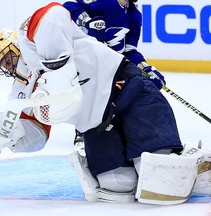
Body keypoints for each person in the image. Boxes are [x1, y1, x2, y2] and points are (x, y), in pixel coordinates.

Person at [0, 2, 211, 205]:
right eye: (3, 66)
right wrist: (5, 133)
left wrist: (58, 71)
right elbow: (37, 137)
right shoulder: (20, 92)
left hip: (127, 91)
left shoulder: (29, 37)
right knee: (116, 186)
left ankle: (195, 163)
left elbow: (53, 13)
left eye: (7, 58)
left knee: (160, 178)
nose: (9, 67)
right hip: (97, 125)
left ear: (15, 46)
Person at [63, 0, 166, 149]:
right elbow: (68, 6)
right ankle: (82, 131)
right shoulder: (103, 2)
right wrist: (87, 21)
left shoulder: (135, 16)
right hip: (89, 61)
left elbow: (129, 51)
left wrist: (146, 68)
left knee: (135, 86)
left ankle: (124, 131)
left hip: (114, 64)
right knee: (93, 87)